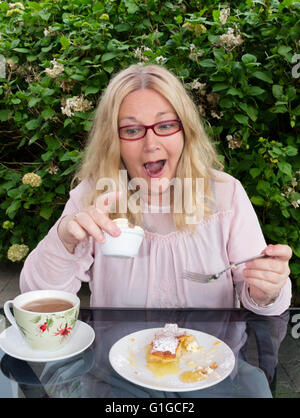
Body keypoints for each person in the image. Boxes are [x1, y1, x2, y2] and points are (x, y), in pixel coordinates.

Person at [20, 64, 292, 314]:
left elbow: (264, 304)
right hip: (117, 364)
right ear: (112, 140)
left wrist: (266, 290)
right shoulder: (93, 198)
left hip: (211, 364)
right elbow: (37, 298)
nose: (151, 144)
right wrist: (64, 240)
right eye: (131, 130)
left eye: (164, 125)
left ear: (185, 131)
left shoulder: (225, 193)